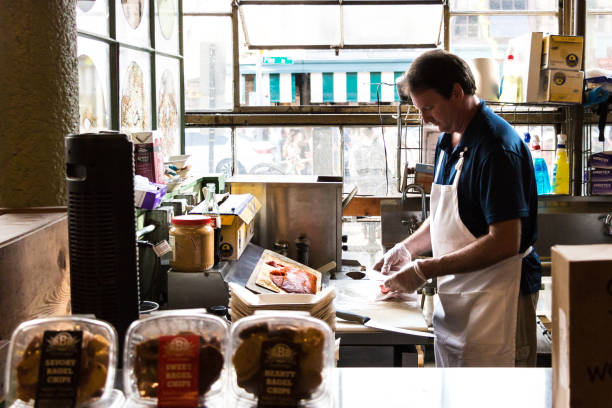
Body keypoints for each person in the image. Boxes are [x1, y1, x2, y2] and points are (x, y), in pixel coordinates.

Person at [374, 50, 541, 367]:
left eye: (429, 108)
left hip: (501, 300)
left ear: (456, 92)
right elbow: (446, 218)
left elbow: (505, 241)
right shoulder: (448, 138)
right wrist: (407, 249)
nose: (425, 118)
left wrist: (425, 269)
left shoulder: (498, 149)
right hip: (459, 301)